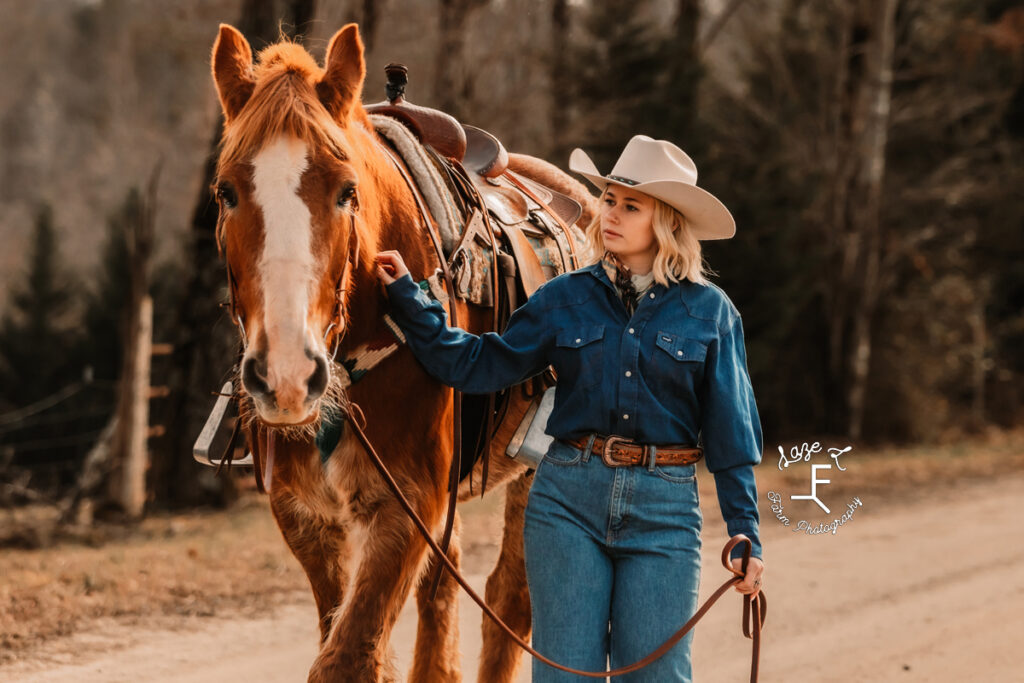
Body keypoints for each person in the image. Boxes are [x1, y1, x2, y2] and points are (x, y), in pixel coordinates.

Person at [376, 135, 765, 682]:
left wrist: (745, 531)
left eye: (632, 206)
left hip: (665, 512)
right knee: (564, 677)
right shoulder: (565, 297)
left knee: (657, 676)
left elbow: (732, 435)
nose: (611, 214)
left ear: (668, 222)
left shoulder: (710, 313)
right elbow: (481, 365)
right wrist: (412, 304)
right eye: (609, 199)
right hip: (567, 503)